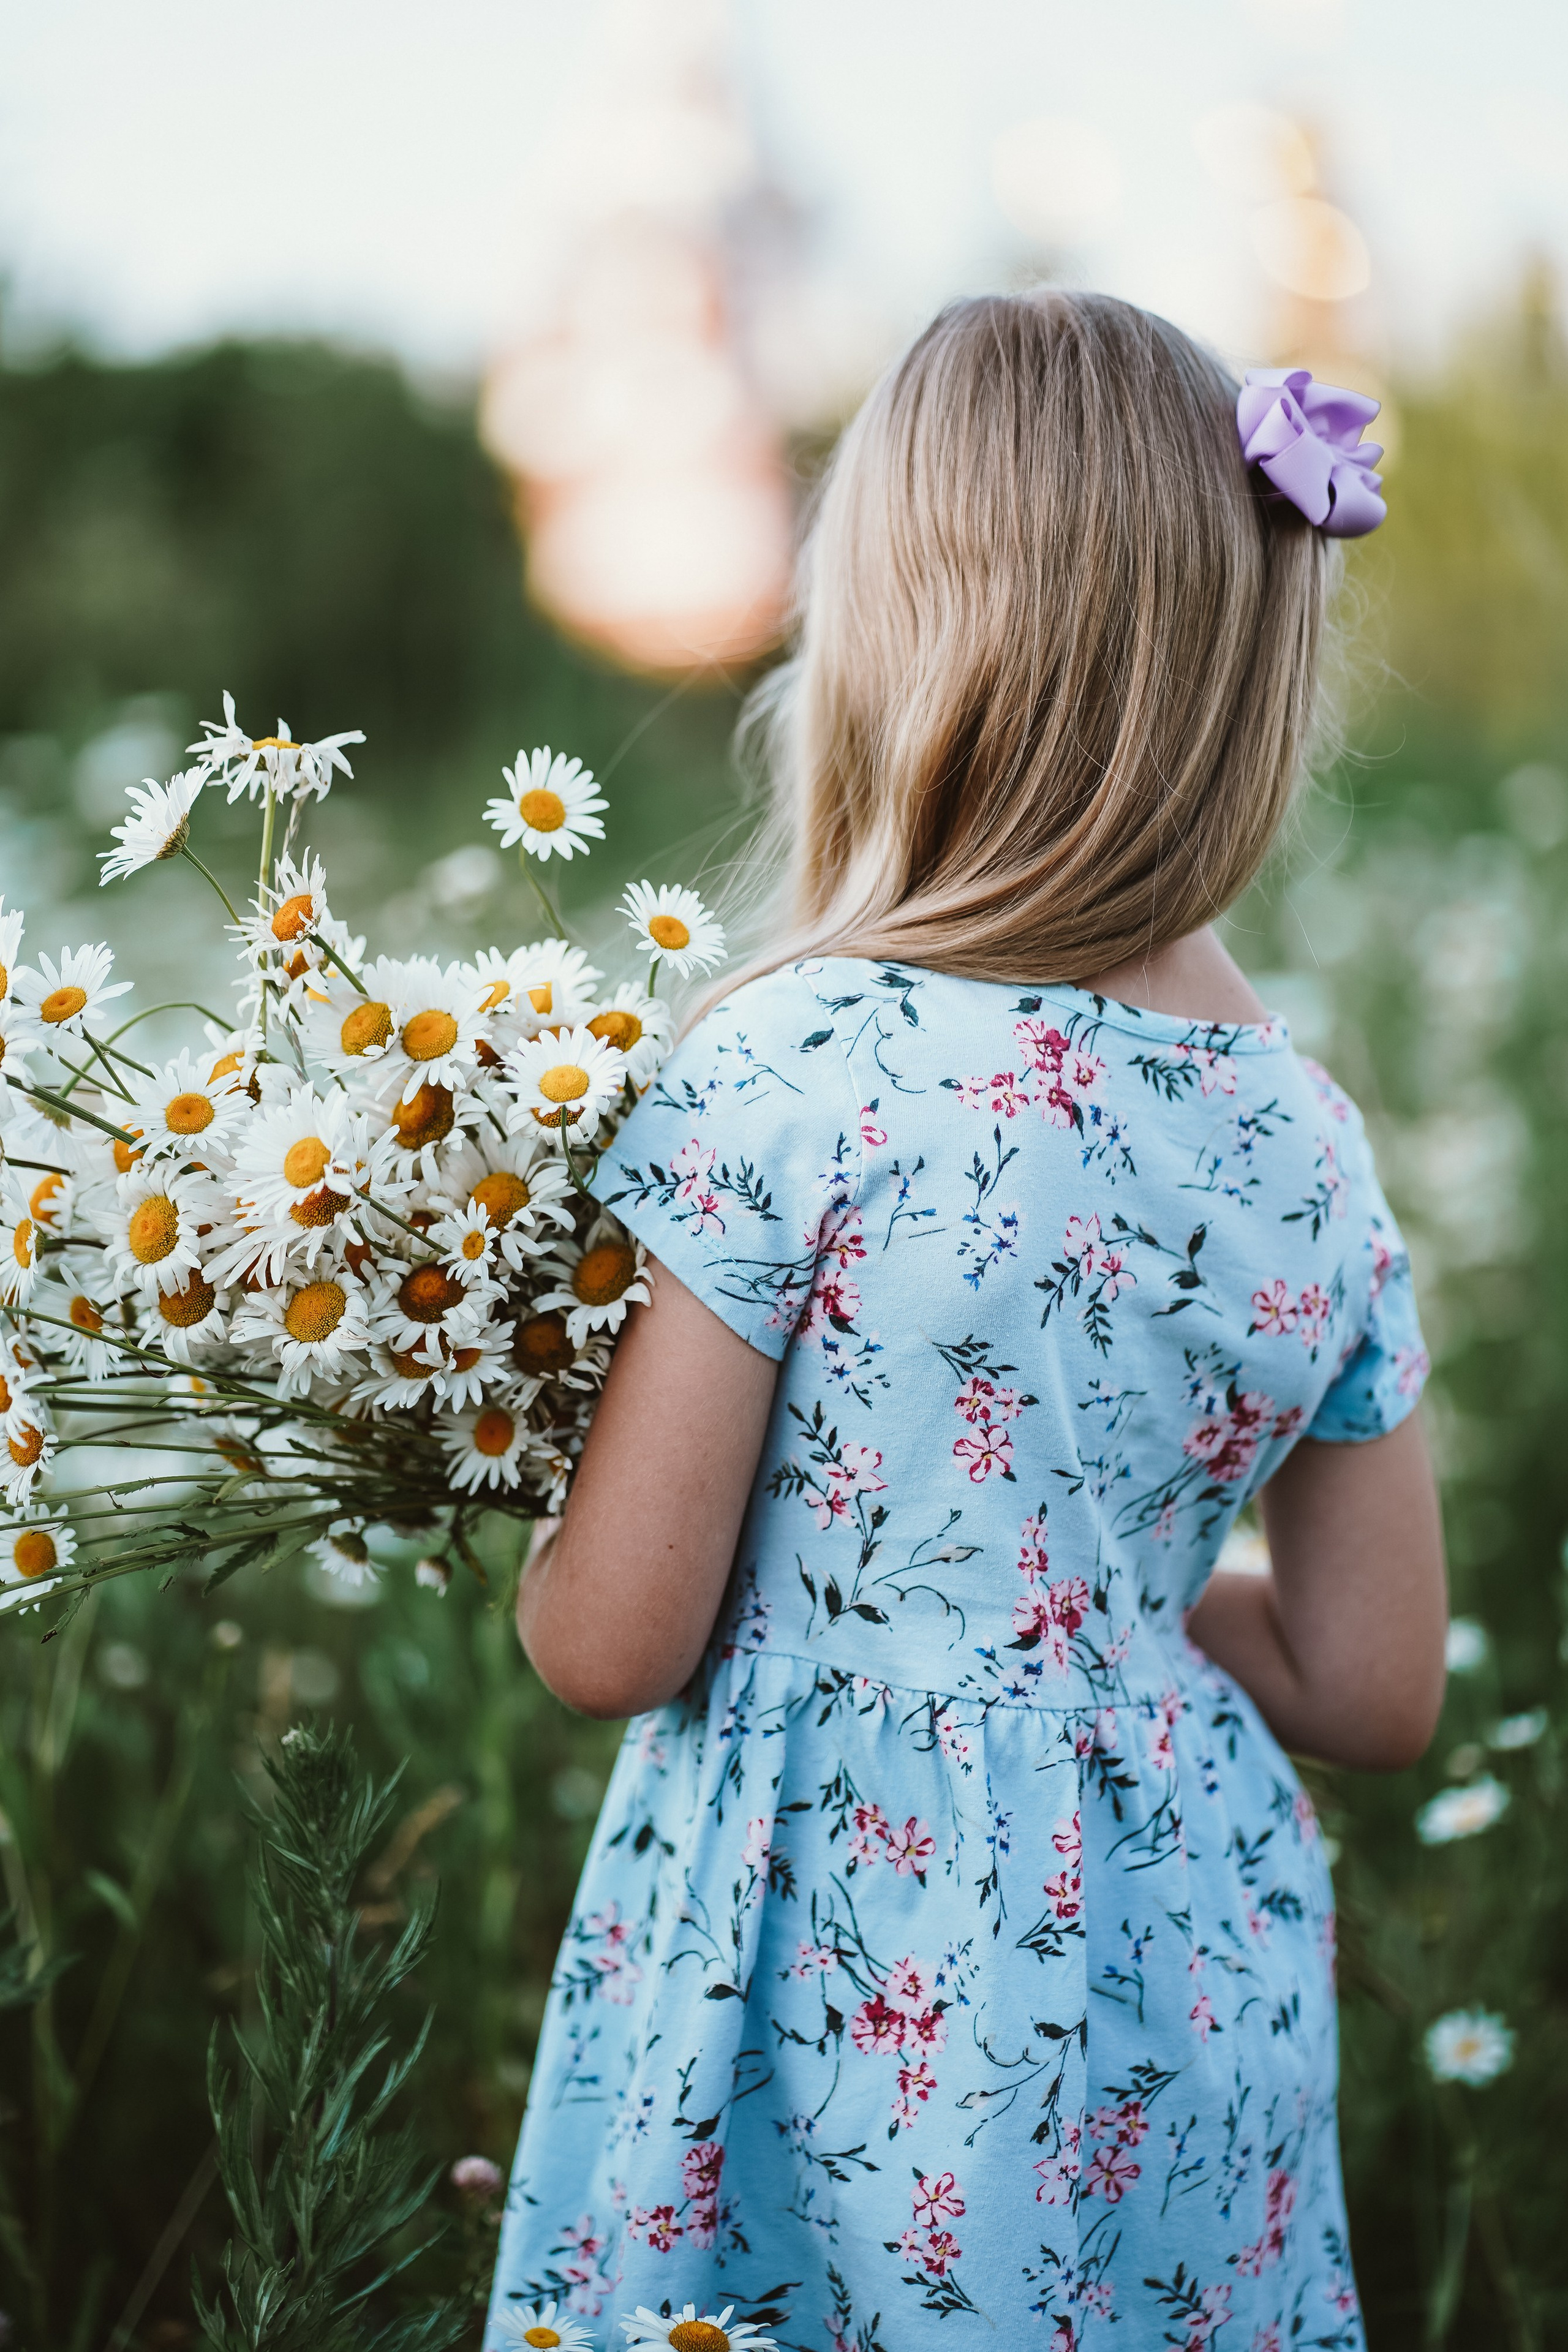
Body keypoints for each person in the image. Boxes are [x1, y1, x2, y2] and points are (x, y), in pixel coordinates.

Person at [487, 292, 1447, 2352]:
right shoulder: (1307, 1138)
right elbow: (1377, 1690)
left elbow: (613, 1639)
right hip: (1185, 1996)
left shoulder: (787, 1072)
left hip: (838, 1985)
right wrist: (1086, 1592)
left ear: (897, 649)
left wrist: (507, 1489)